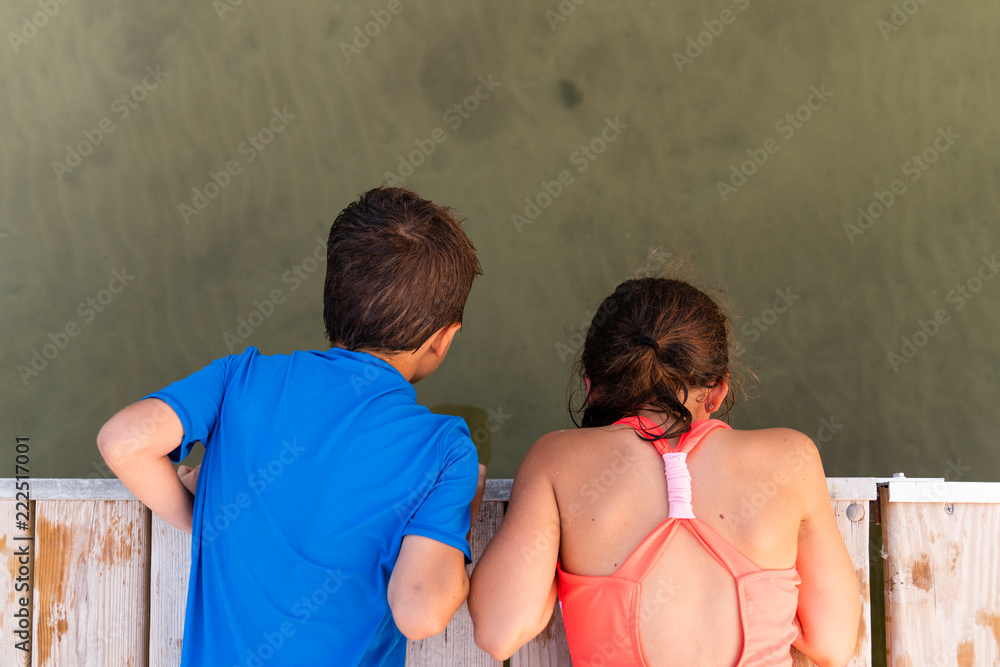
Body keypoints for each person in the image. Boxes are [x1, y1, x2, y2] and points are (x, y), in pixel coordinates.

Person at [97, 186, 487, 666]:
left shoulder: (239, 377)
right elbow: (421, 614)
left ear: (331, 297)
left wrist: (204, 518)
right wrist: (462, 508)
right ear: (443, 340)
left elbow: (122, 440)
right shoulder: (446, 450)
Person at [469, 275, 860, 667]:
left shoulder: (556, 460)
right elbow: (832, 645)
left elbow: (501, 632)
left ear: (591, 389)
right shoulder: (792, 458)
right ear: (719, 389)